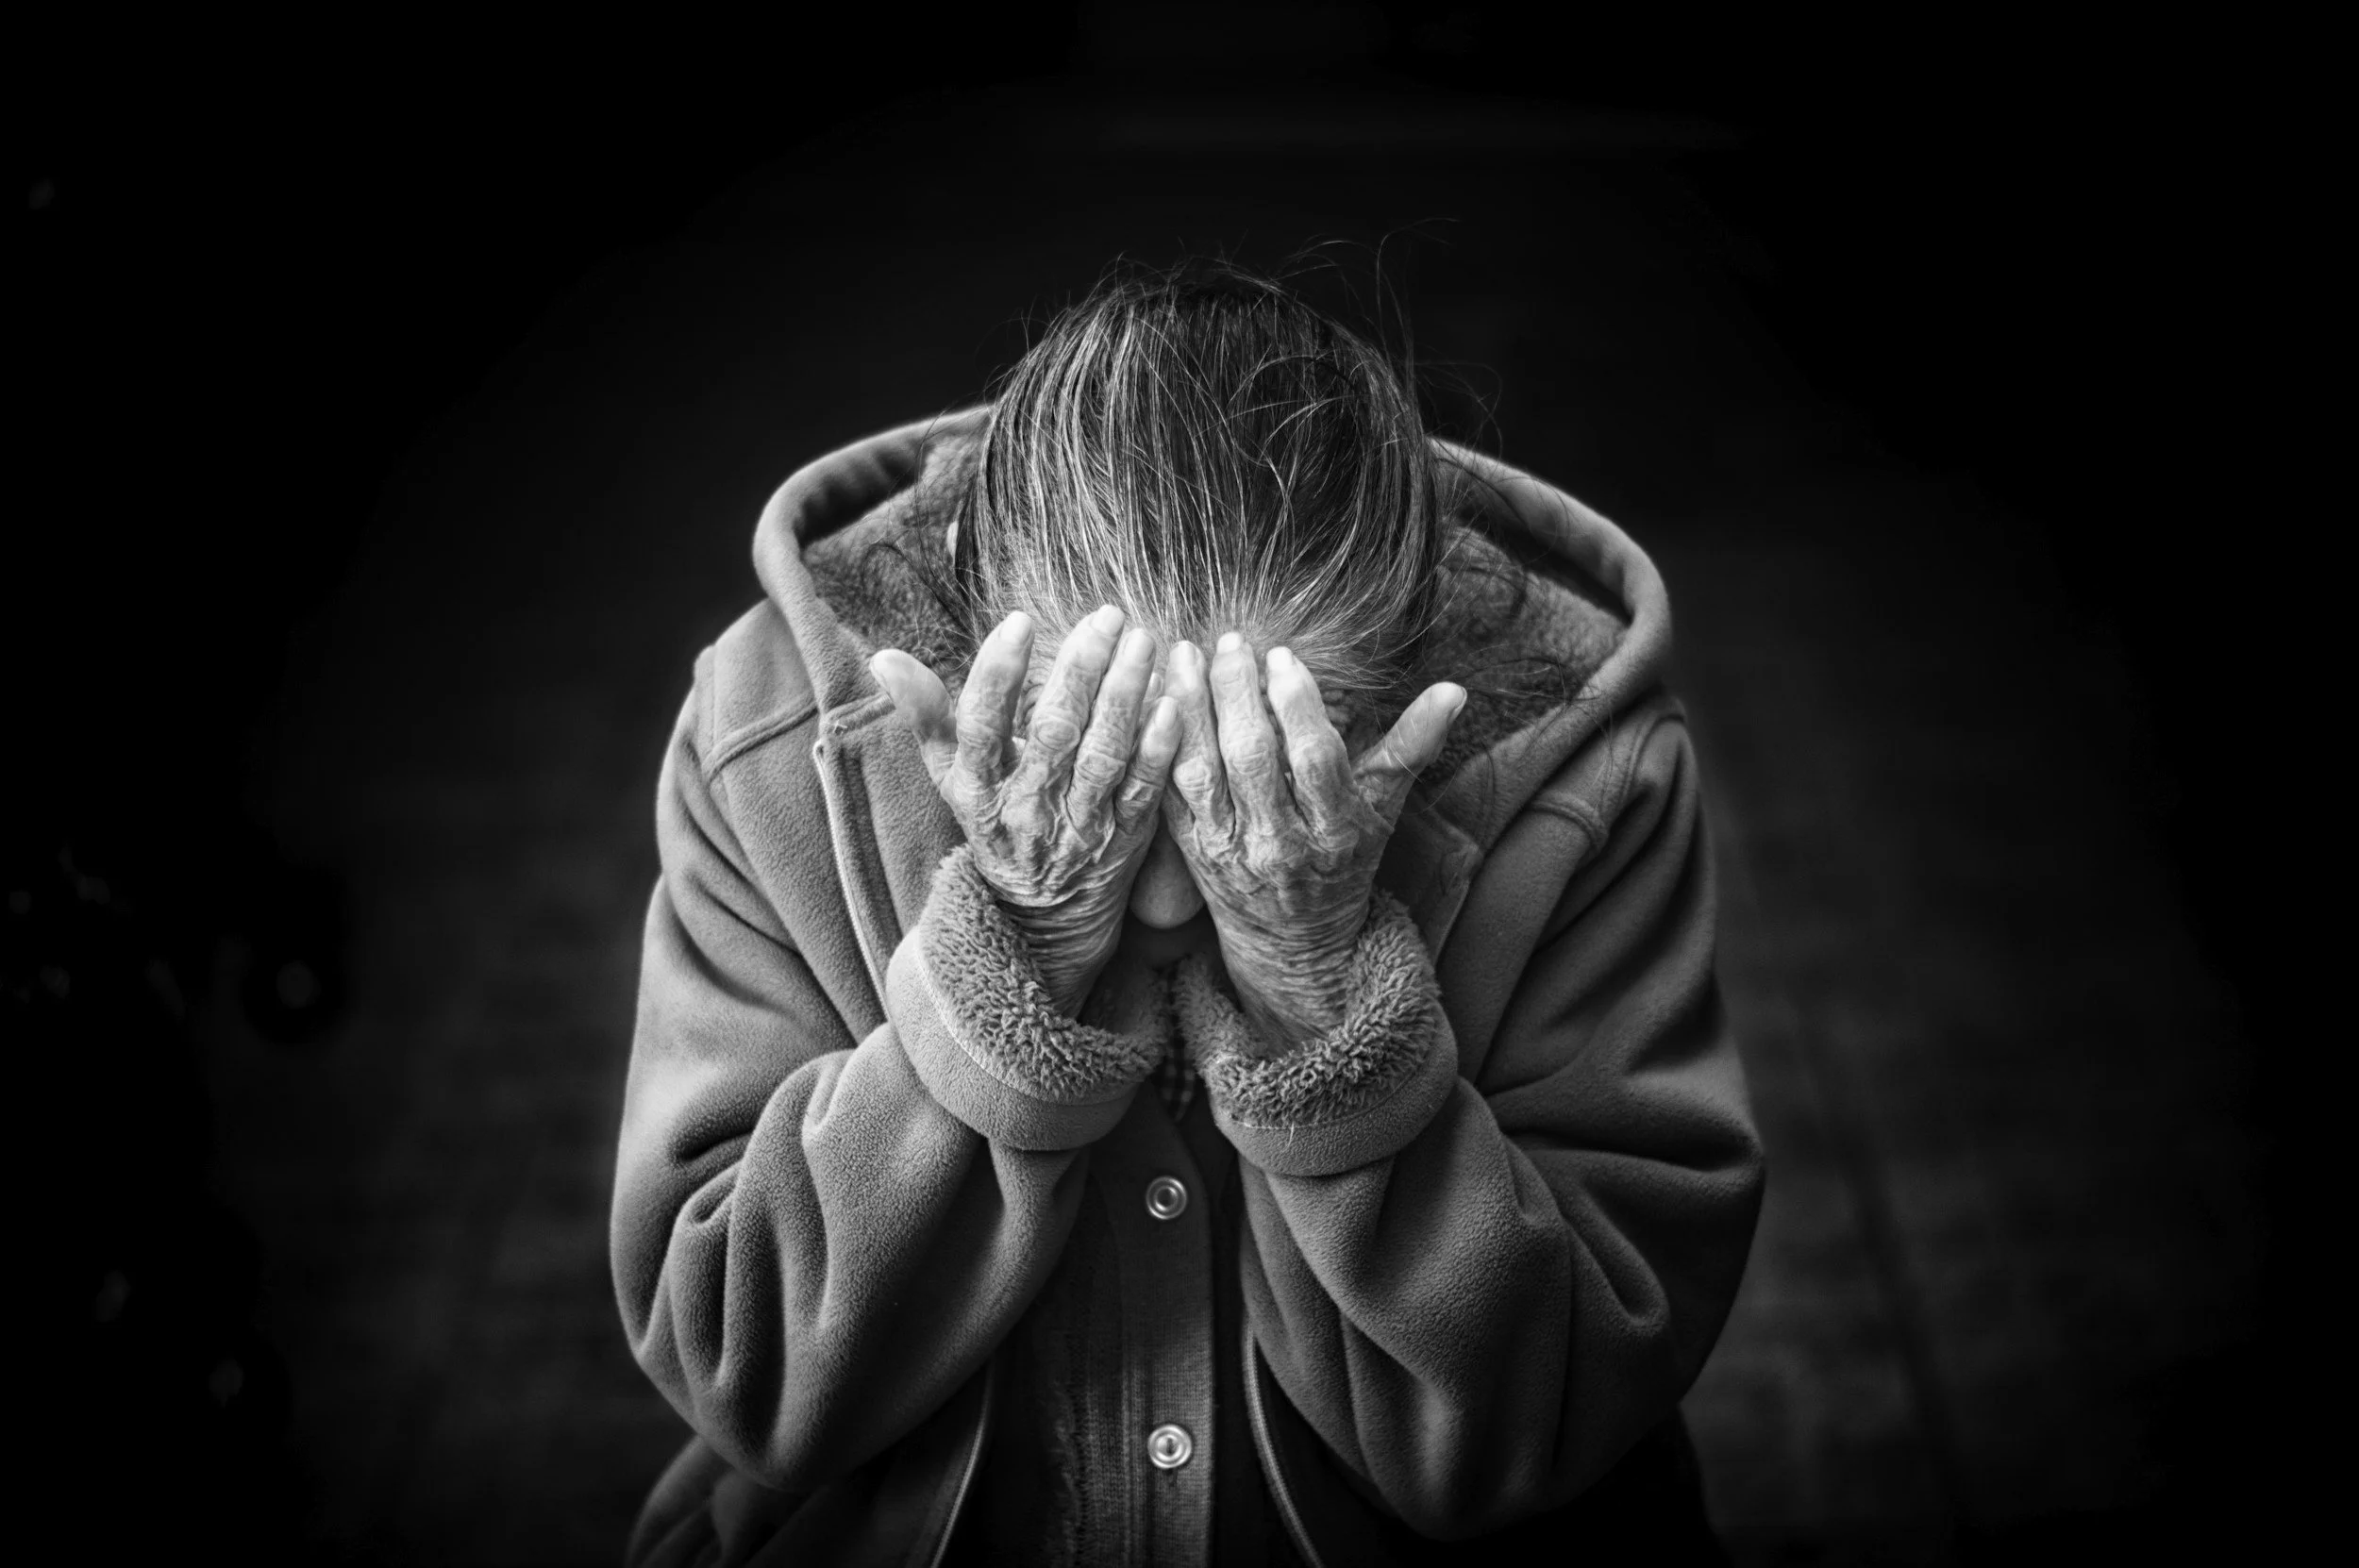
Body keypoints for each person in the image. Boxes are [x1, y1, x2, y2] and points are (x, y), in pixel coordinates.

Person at [611, 262, 1765, 1566]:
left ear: (1415, 695)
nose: (1164, 892)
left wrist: (1322, 991)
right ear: (965, 641)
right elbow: (746, 1369)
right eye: (1090, 767)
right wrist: (1013, 945)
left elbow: (1548, 1418)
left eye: (1267, 774)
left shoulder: (1595, 780)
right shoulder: (767, 739)